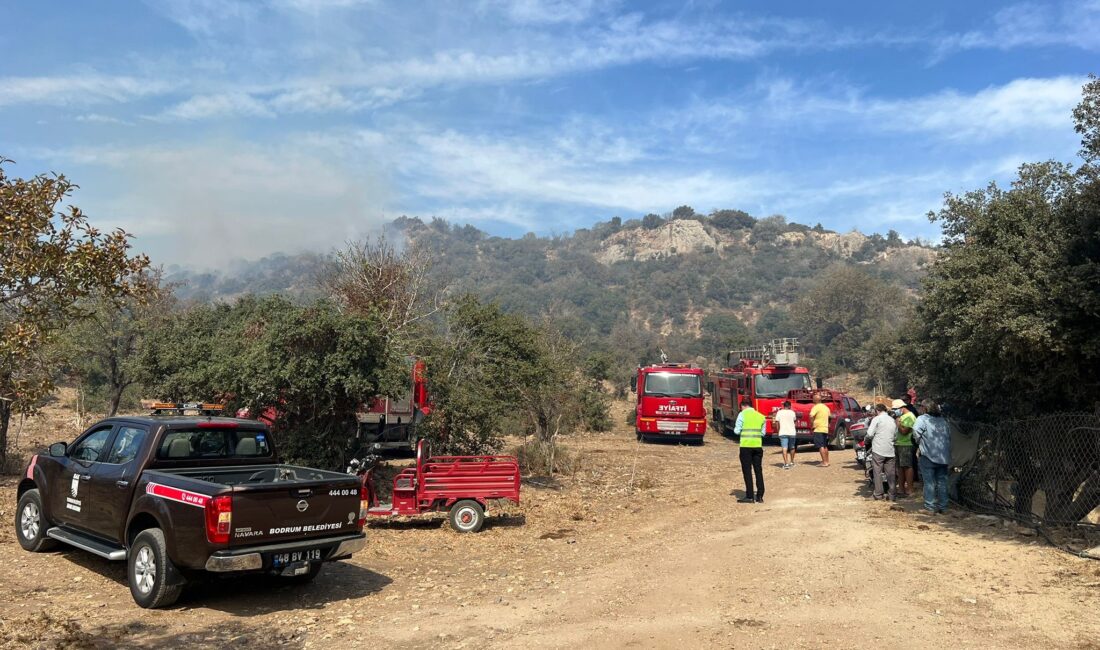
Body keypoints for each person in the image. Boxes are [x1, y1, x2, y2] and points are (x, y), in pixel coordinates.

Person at [913, 398, 951, 514]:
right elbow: (949, 436)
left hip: (928, 455)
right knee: (942, 482)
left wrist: (919, 441)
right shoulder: (943, 420)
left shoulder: (922, 419)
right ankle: (943, 507)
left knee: (929, 482)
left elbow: (915, 430)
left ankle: (930, 507)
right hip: (943, 456)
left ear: (924, 408)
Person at [733, 398, 765, 503]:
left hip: (746, 446)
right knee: (758, 470)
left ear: (742, 406)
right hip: (757, 446)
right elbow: (763, 433)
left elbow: (737, 431)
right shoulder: (761, 416)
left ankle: (750, 496)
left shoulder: (742, 415)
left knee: (747, 471)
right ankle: (760, 496)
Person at [864, 403, 898, 500]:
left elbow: (870, 434)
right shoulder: (892, 420)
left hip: (878, 449)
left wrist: (866, 440)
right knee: (890, 473)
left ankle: (878, 494)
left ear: (877, 411)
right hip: (890, 449)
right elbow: (895, 436)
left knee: (877, 472)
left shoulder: (876, 419)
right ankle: (892, 494)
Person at [892, 399, 916, 497]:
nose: (894, 411)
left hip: (906, 444)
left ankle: (909, 489)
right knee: (900, 467)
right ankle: (901, 489)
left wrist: (898, 423)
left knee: (907, 466)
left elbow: (904, 431)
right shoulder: (902, 416)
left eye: (895, 409)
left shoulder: (910, 416)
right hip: (899, 444)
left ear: (901, 408)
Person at [809, 392, 831, 467]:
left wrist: (812, 425)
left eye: (813, 398)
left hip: (818, 428)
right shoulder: (826, 407)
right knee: (825, 445)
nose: (812, 399)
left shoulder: (816, 407)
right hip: (825, 428)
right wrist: (828, 424)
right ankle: (827, 461)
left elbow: (811, 416)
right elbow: (830, 417)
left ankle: (824, 462)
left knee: (820, 446)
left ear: (816, 400)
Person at [775, 400, 797, 469]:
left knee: (784, 448)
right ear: (790, 406)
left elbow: (777, 422)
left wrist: (778, 431)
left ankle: (786, 463)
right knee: (792, 447)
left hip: (783, 432)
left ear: (783, 406)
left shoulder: (779, 412)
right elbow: (795, 421)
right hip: (792, 432)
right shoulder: (792, 412)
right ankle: (792, 462)